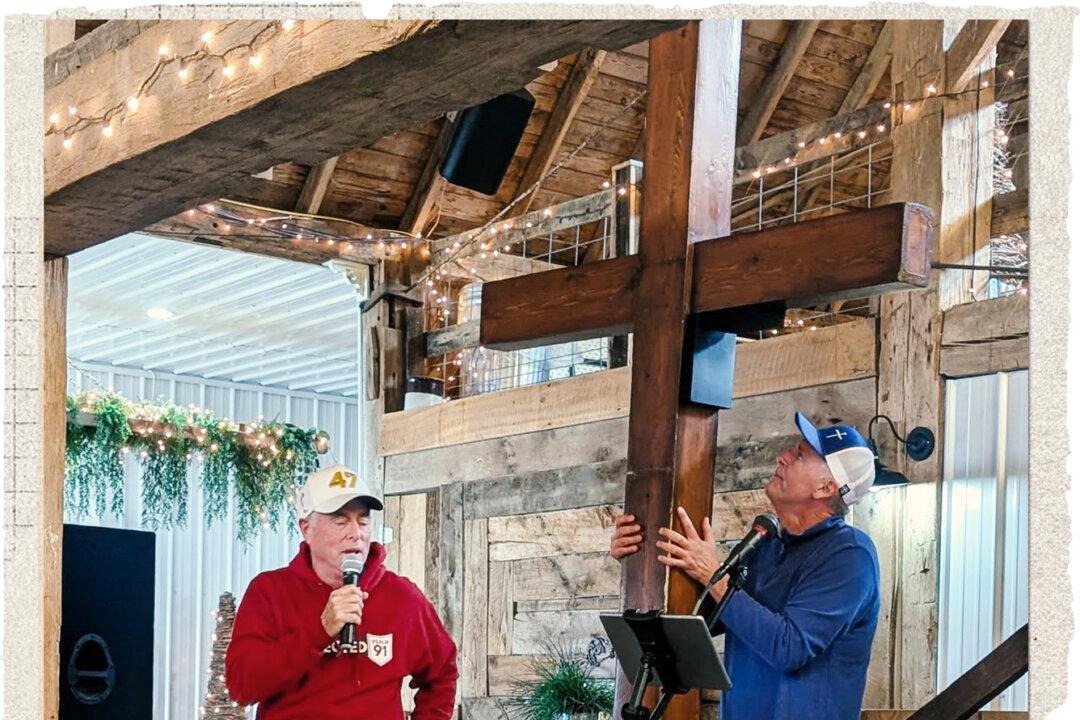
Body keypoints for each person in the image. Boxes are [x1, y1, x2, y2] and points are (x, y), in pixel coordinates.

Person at [609, 412, 881, 720]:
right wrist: (638, 556)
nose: (783, 457)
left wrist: (713, 573)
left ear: (826, 487)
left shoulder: (850, 556)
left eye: (801, 455)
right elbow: (699, 621)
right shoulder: (765, 545)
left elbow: (788, 648)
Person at [226, 464, 458, 719]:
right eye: (340, 520)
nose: (355, 533)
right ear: (306, 528)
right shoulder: (269, 592)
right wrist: (319, 631)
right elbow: (242, 687)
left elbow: (442, 673)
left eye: (363, 520)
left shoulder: (402, 597)